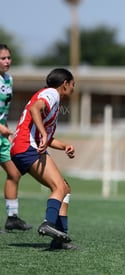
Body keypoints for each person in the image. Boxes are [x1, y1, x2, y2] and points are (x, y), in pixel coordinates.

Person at [10, 68, 77, 250]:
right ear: (65, 84)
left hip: (23, 147)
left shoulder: (52, 100)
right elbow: (34, 108)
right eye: (72, 84)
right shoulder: (52, 94)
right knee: (58, 187)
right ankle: (48, 223)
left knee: (65, 188)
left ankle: (60, 240)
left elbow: (46, 137)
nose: (73, 88)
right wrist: (42, 133)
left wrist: (64, 146)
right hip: (26, 146)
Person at [0, 44, 32, 233]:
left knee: (14, 173)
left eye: (8, 58)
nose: (7, 61)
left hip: (2, 137)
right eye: (3, 58)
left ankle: (12, 218)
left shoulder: (8, 79)